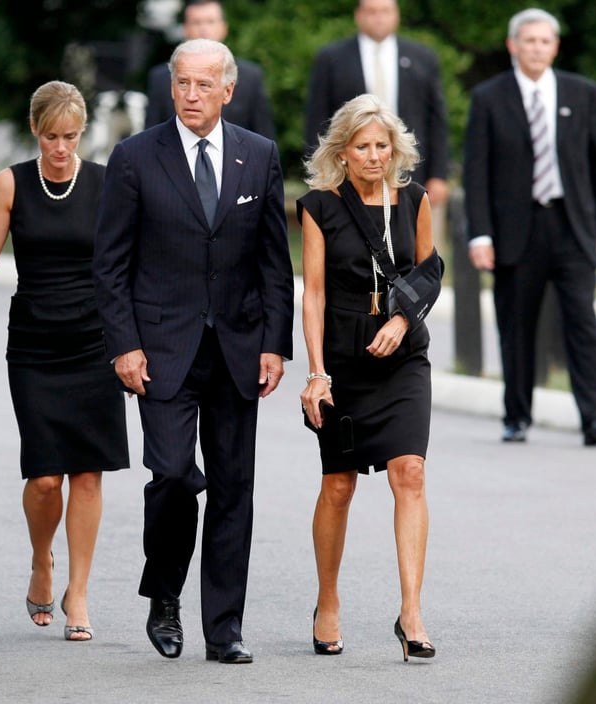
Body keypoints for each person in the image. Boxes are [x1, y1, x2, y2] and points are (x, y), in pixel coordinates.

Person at [94, 38, 295, 664]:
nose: (190, 95)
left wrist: (275, 346)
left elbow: (274, 262)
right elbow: (111, 265)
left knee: (234, 487)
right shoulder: (133, 157)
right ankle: (164, 595)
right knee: (175, 475)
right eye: (182, 83)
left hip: (238, 348)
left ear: (228, 91)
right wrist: (124, 345)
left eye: (204, 85)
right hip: (161, 350)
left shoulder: (258, 156)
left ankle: (225, 629)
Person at [0, 80, 130, 642]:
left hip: (94, 343)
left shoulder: (107, 184)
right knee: (44, 478)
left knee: (87, 472)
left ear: (82, 133)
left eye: (70, 137)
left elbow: (124, 265)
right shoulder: (10, 183)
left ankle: (79, 593)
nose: (60, 148)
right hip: (36, 345)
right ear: (35, 131)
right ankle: (43, 560)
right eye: (50, 137)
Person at [298, 94, 436, 661]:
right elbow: (314, 295)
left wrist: (402, 320)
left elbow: (430, 272)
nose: (374, 155)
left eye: (383, 145)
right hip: (344, 359)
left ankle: (411, 612)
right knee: (339, 485)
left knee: (410, 472)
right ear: (343, 150)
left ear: (395, 148)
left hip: (402, 356)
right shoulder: (319, 207)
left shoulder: (416, 200)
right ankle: (327, 601)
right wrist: (316, 374)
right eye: (363, 146)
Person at [463, 8, 596, 446]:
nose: (537, 48)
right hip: (516, 229)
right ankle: (517, 416)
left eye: (545, 41)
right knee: (517, 326)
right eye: (529, 41)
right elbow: (476, 172)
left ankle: (594, 417)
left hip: (571, 226)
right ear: (514, 45)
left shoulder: (582, 93)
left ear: (555, 47)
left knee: (582, 324)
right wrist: (480, 233)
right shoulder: (489, 97)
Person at [303, 0, 449, 211]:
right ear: (358, 15)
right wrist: (323, 172)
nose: (379, 17)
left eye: (385, 11)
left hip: (413, 173)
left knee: (417, 241)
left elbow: (436, 120)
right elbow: (316, 119)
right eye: (371, 11)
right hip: (348, 178)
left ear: (396, 14)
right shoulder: (332, 59)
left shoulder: (422, 58)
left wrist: (439, 174)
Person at [144, 0, 276, 140]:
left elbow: (263, 134)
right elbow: (151, 135)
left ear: (224, 28)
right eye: (196, 22)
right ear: (185, 29)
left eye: (210, 22)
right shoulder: (162, 77)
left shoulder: (250, 76)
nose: (203, 29)